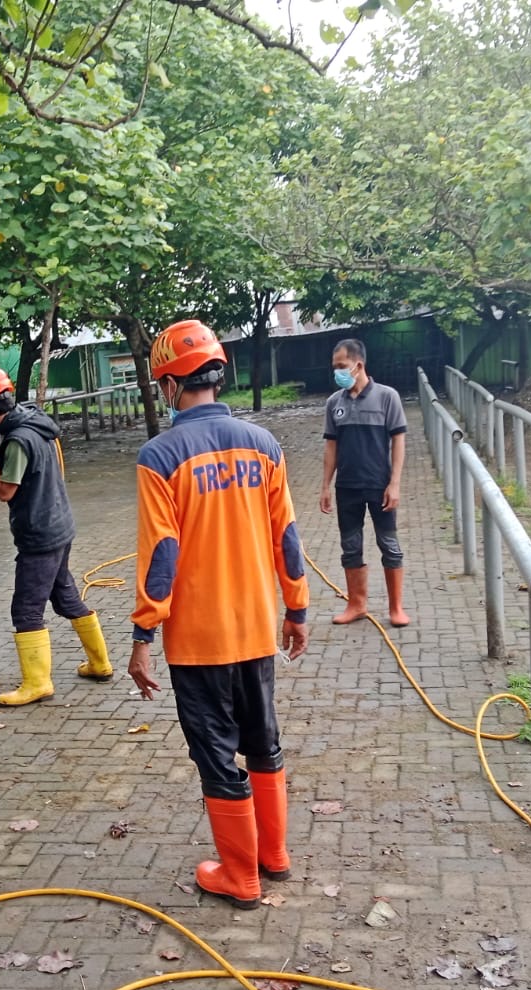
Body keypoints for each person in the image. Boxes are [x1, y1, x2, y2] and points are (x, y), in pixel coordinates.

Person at [128, 319, 310, 909]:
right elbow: (287, 536)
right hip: (258, 627)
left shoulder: (160, 455)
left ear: (169, 384)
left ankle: (241, 876)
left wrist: (142, 633)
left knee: (215, 753)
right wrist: (298, 609)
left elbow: (163, 554)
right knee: (262, 740)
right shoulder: (264, 445)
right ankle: (273, 855)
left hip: (198, 639)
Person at [0, 364, 112, 706]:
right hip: (60, 526)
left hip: (40, 536)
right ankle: (100, 663)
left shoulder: (16, 439)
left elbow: (5, 492)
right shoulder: (33, 419)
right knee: (65, 598)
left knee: (26, 611)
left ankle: (37, 683)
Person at [320, 338, 409, 627]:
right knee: (351, 546)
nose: (338, 373)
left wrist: (394, 483)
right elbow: (331, 447)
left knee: (389, 545)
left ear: (358, 365)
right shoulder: (334, 403)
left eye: (342, 366)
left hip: (379, 485)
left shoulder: (387, 397)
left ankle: (396, 608)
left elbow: (398, 441)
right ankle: (356, 604)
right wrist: (325, 486)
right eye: (335, 368)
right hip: (347, 487)